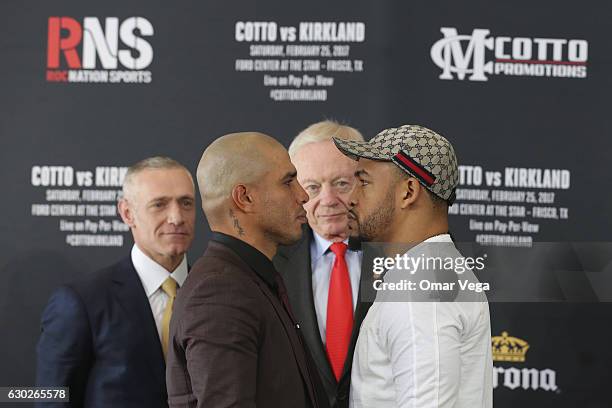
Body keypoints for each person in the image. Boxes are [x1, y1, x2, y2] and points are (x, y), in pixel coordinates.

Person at [333, 125, 493, 408]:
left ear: (408, 192)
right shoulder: (428, 273)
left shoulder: (422, 288)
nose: (351, 198)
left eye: (365, 182)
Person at [166, 132, 328, 408]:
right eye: (288, 182)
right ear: (244, 198)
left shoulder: (250, 278)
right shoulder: (219, 292)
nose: (302, 195)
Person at [36, 156, 196, 408]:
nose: (176, 217)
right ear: (127, 213)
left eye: (186, 202)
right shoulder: (82, 302)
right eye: (159, 204)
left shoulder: (217, 294)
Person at [274, 120, 371, 408]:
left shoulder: (399, 255)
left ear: (364, 181)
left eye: (342, 184)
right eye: (313, 188)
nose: (328, 200)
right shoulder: (271, 262)